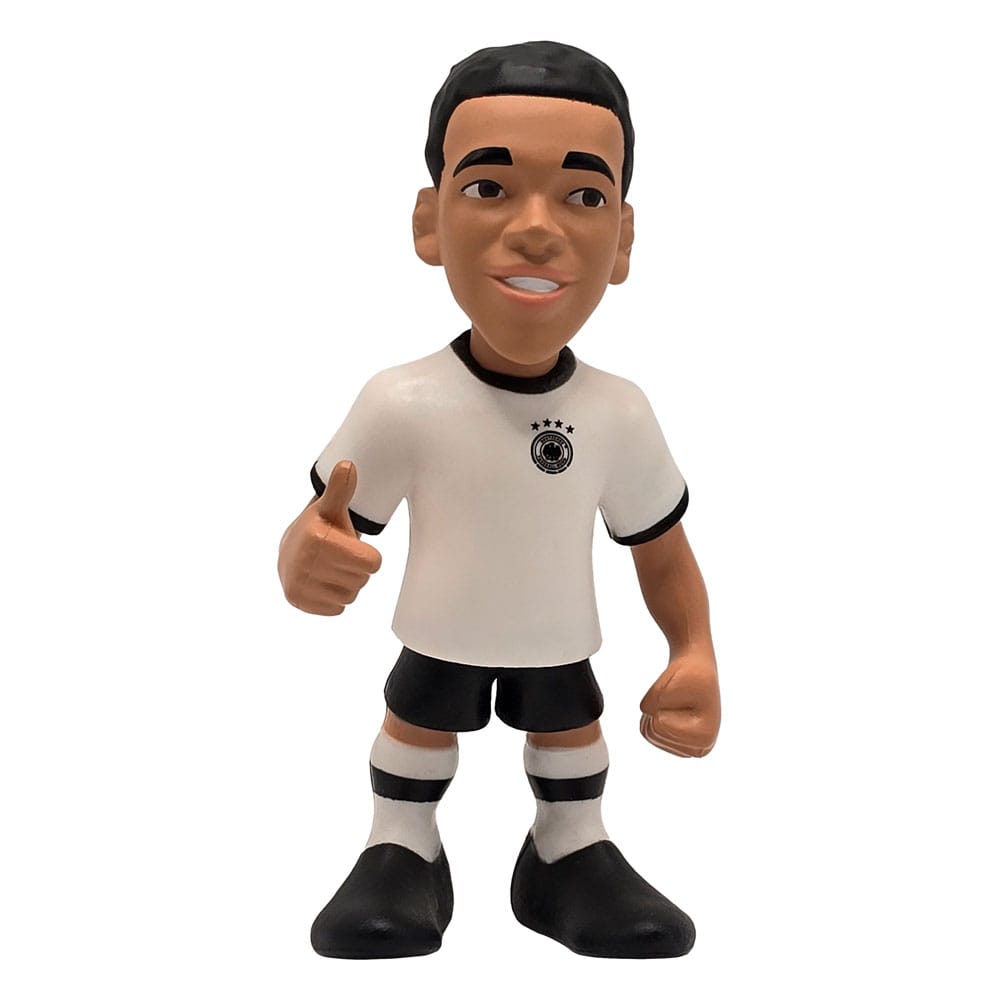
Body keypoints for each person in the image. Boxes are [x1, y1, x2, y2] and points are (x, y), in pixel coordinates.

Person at [277, 40, 721, 960]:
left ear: (622, 239)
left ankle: (570, 849)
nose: (536, 229)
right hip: (441, 626)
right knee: (416, 720)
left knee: (572, 731)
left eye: (583, 196)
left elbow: (660, 547)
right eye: (488, 187)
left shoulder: (618, 413)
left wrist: (695, 651)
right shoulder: (402, 403)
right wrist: (303, 559)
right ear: (429, 222)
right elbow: (329, 522)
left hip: (558, 635)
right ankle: (400, 846)